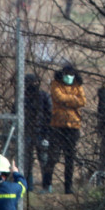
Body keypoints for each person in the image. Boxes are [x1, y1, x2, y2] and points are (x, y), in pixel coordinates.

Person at [42, 65, 85, 194]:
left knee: (70, 158)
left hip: (73, 126)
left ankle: (68, 187)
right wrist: (73, 99)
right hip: (57, 125)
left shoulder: (77, 85)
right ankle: (47, 184)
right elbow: (58, 97)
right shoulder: (56, 84)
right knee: (53, 157)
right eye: (66, 74)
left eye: (71, 75)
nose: (69, 77)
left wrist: (67, 101)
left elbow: (83, 101)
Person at [22, 74, 52, 191]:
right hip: (27, 132)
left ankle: (46, 185)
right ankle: (29, 187)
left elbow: (49, 114)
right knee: (27, 161)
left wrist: (47, 132)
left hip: (41, 132)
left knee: (43, 160)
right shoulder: (23, 97)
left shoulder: (43, 96)